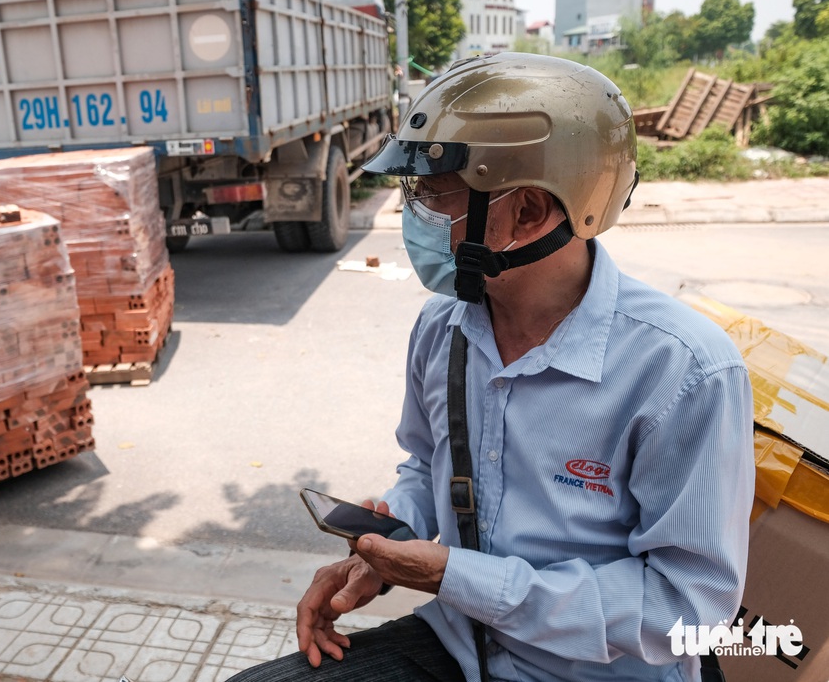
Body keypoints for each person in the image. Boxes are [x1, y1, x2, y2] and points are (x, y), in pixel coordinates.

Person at [231, 53, 755, 682]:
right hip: (460, 645)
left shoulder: (681, 371)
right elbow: (427, 465)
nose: (415, 215)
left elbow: (688, 608)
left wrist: (457, 576)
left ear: (528, 211)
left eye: (432, 194)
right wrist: (390, 541)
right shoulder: (443, 326)